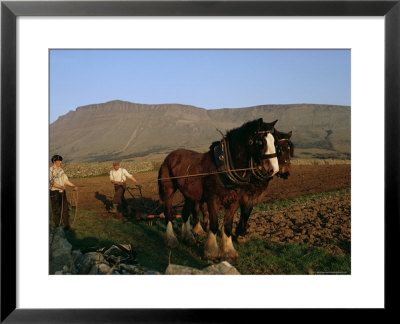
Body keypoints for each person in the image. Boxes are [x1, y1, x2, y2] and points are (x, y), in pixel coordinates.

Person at [49, 155, 78, 230]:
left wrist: (73, 185)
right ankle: (58, 226)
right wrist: (60, 186)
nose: (61, 162)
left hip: (62, 192)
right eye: (59, 161)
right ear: (54, 161)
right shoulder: (50, 171)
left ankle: (66, 226)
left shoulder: (61, 170)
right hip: (54, 193)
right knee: (56, 210)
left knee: (65, 209)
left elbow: (65, 180)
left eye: (61, 161)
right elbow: (51, 182)